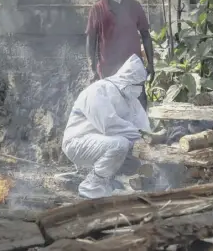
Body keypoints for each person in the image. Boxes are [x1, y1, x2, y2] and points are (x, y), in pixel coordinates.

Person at [62, 54, 152, 199]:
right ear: (128, 82)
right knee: (120, 144)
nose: (141, 89)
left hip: (105, 144)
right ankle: (92, 185)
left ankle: (111, 182)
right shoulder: (98, 90)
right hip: (77, 143)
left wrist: (151, 142)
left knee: (135, 158)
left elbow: (143, 127)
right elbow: (109, 125)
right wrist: (142, 137)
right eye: (139, 85)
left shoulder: (131, 100)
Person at [86, 0, 155, 112]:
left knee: (139, 107)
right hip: (108, 70)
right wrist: (91, 68)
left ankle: (141, 132)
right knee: (112, 109)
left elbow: (146, 35)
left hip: (133, 69)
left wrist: (151, 64)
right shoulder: (97, 9)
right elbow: (91, 40)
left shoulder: (134, 6)